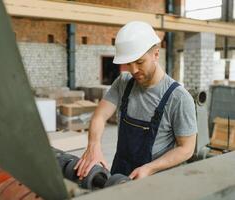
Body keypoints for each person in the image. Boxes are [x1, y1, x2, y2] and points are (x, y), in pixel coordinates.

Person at [74, 21, 197, 180]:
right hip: (120, 171)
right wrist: (93, 145)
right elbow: (100, 115)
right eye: (128, 64)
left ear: (156, 54)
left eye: (139, 62)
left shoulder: (179, 98)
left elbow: (187, 148)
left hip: (155, 179)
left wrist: (150, 168)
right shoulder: (123, 83)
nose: (133, 70)